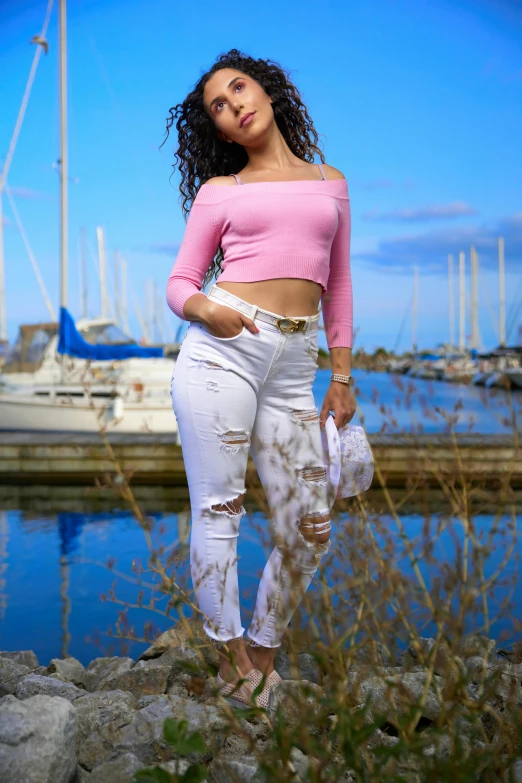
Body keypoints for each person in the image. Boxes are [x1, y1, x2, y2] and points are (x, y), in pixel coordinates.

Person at [164, 48, 355, 709]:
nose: (233, 104)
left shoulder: (331, 182)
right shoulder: (222, 192)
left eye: (238, 88)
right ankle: (234, 660)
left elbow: (340, 282)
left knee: (311, 521)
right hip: (225, 349)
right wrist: (207, 309)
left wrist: (344, 370)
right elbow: (180, 281)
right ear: (218, 131)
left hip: (299, 366)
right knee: (218, 507)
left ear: (269, 91)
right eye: (218, 105)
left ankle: (265, 651)